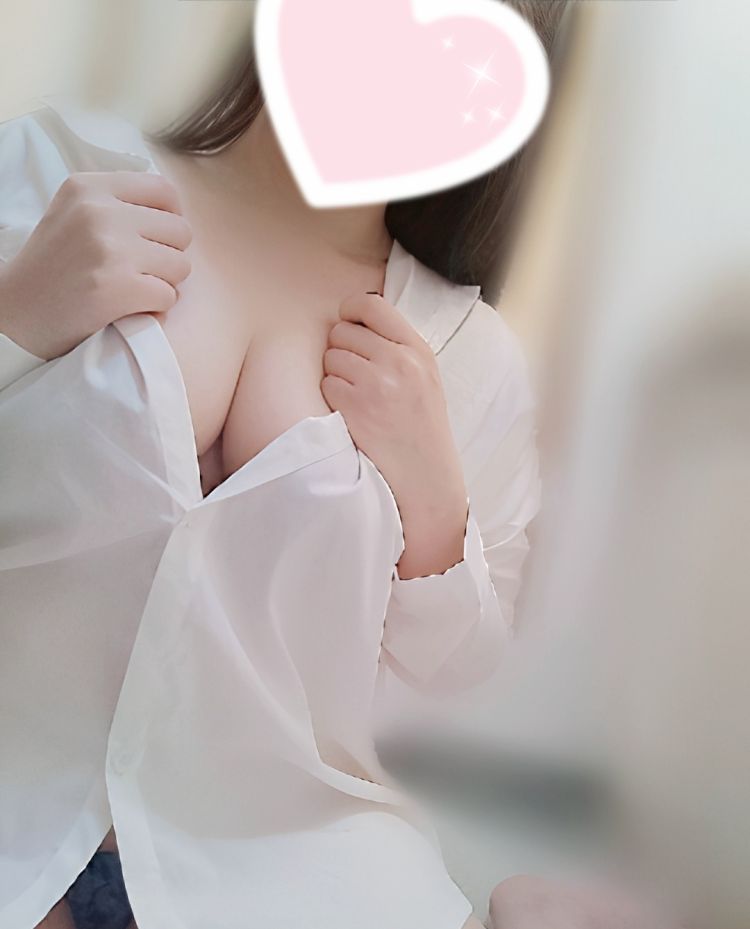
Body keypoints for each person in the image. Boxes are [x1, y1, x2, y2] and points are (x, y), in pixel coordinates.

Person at [0, 4, 567, 928]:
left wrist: (435, 512)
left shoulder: (471, 356)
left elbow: (465, 706)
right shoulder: (58, 165)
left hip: (303, 885)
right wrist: (15, 315)